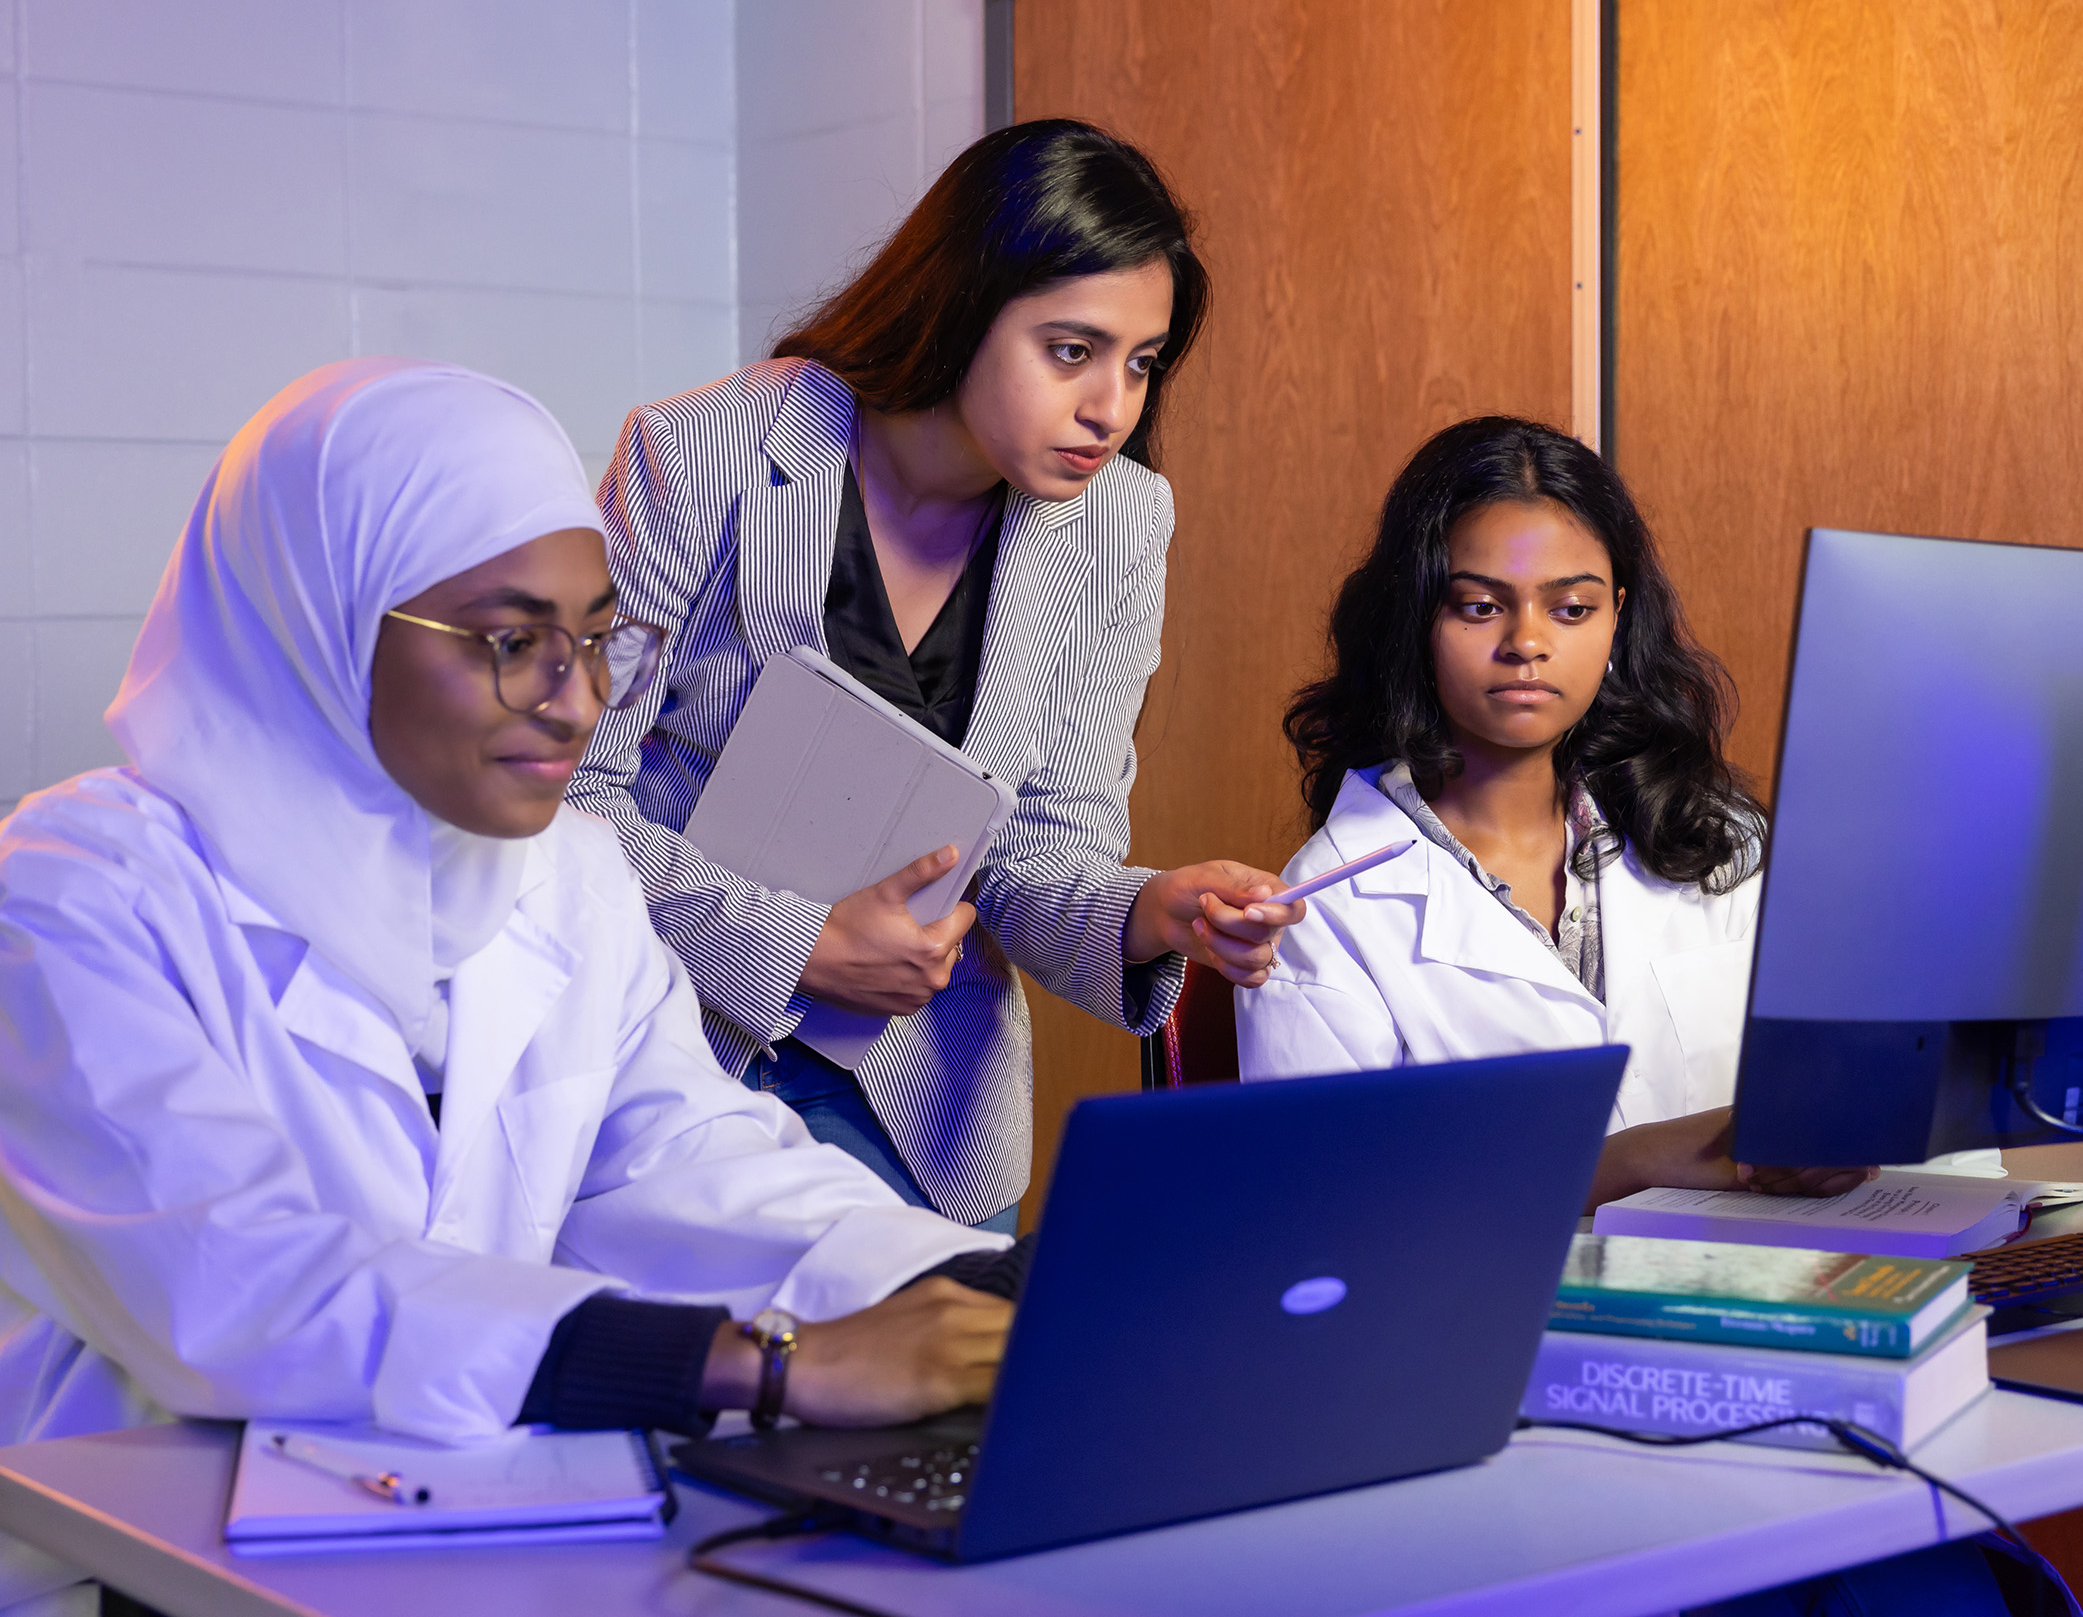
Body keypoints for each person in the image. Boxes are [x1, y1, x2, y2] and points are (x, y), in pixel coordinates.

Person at [0, 361, 1022, 1617]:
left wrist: (997, 1292)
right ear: (324, 620)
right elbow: (244, 1286)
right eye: (512, 643)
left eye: (600, 636)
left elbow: (692, 1163)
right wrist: (771, 1367)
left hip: (433, 1529)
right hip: (83, 1568)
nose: (579, 701)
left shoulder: (567, 877)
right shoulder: (67, 897)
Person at [576, 119, 1302, 1234]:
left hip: (923, 1118)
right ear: (962, 305)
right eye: (1072, 351)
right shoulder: (701, 455)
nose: (1112, 407)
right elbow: (568, 805)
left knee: (951, 1401)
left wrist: (1149, 911)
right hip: (668, 1054)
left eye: (1141, 363)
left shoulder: (1119, 522)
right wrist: (798, 947)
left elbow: (1039, 855)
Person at [1236, 416, 1869, 1205]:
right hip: (1491, 1322)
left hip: (1755, 1283)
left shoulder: (1718, 837)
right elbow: (1328, 1205)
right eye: (1478, 607)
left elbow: (1809, 1080)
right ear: (1414, 620)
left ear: (1616, 620)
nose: (1527, 642)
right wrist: (1633, 1160)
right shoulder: (1325, 907)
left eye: (1570, 609)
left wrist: (1828, 1138)